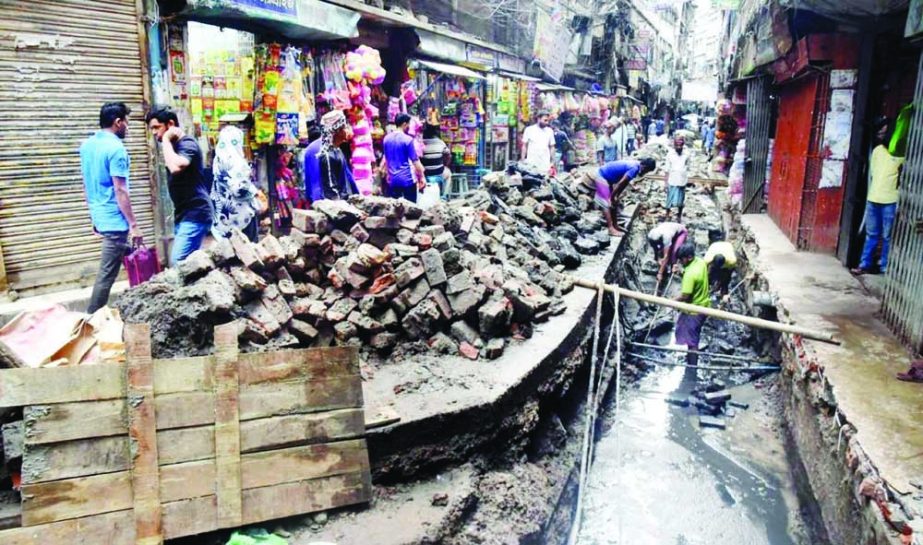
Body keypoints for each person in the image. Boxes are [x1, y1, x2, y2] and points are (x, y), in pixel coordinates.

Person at [80, 102, 142, 313]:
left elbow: (87, 183)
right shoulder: (116, 149)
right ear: (118, 122)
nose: (128, 127)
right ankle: (91, 320)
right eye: (127, 122)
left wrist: (94, 219)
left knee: (131, 254)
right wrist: (134, 225)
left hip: (101, 216)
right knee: (106, 274)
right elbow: (121, 190)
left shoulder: (87, 146)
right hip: (114, 221)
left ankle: (145, 294)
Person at [146, 107, 212, 266]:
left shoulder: (187, 144)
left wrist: (167, 140)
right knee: (190, 266)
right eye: (151, 129)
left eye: (157, 127)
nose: (154, 133)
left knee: (178, 263)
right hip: (184, 214)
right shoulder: (176, 147)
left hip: (196, 213)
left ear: (170, 124)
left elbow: (176, 167)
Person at [852, 119, 903, 275]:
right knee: (871, 235)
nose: (882, 135)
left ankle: (884, 266)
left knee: (888, 236)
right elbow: (873, 173)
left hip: (890, 201)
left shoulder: (902, 155)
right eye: (881, 132)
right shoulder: (877, 151)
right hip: (873, 199)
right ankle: (864, 264)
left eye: (885, 132)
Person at [582, 157, 657, 235]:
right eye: (646, 171)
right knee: (606, 203)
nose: (645, 173)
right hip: (601, 175)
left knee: (614, 203)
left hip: (608, 178)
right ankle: (610, 229)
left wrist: (616, 196)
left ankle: (615, 225)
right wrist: (612, 197)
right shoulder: (634, 168)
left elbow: (625, 184)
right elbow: (620, 183)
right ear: (644, 167)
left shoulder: (637, 165)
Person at [211, 126, 259, 242]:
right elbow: (238, 189)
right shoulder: (236, 161)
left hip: (223, 213)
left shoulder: (218, 159)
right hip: (240, 215)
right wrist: (255, 192)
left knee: (229, 251)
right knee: (248, 252)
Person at [305, 110, 357, 203]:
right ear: (337, 130)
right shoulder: (323, 152)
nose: (348, 129)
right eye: (345, 127)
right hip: (327, 203)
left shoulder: (337, 149)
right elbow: (326, 187)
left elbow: (348, 177)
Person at [674, 242, 710, 368]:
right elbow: (695, 282)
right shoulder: (700, 262)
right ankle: (691, 358)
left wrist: (672, 301)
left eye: (681, 259)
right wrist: (680, 272)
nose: (680, 262)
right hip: (704, 306)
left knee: (692, 340)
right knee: (695, 335)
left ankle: (692, 367)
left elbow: (685, 296)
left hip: (694, 311)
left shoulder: (690, 274)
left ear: (689, 257)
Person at [381, 113, 425, 202]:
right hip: (407, 180)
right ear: (404, 124)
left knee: (396, 211)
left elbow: (386, 160)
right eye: (408, 124)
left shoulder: (386, 139)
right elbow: (415, 161)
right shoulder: (407, 140)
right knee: (411, 211)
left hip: (393, 181)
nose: (409, 126)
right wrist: (422, 177)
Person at [704, 229, 737, 302]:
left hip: (727, 258)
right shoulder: (708, 258)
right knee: (708, 278)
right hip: (716, 247)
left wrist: (721, 282)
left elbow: (729, 273)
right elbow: (704, 270)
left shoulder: (732, 260)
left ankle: (724, 299)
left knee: (725, 283)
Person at [665, 136, 691, 222]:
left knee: (681, 200)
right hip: (672, 180)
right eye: (677, 145)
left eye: (680, 146)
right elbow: (666, 169)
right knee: (669, 199)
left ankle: (679, 216)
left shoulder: (687, 154)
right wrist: (665, 183)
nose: (679, 147)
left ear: (683, 145)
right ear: (674, 145)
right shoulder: (670, 154)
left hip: (682, 180)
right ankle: (667, 215)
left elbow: (688, 166)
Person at [421, 123, 451, 196]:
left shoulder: (420, 143)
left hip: (425, 173)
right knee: (449, 174)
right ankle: (444, 196)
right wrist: (446, 165)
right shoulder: (440, 143)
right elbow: (448, 156)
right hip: (438, 172)